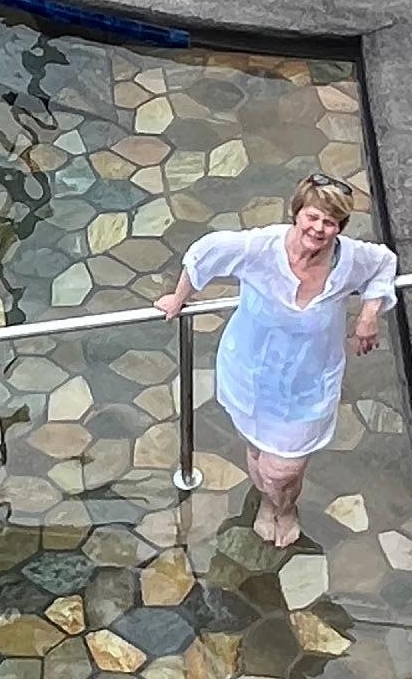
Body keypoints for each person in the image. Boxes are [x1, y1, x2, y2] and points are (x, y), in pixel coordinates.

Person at [159, 174, 396, 548]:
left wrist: (369, 313)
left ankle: (283, 506)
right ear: (297, 213)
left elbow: (385, 263)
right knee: (257, 450)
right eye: (312, 217)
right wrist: (178, 298)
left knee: (283, 468)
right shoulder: (261, 248)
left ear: (341, 227)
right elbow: (206, 252)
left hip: (309, 382)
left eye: (330, 222)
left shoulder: (349, 258)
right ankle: (272, 504)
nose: (319, 229)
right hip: (251, 373)